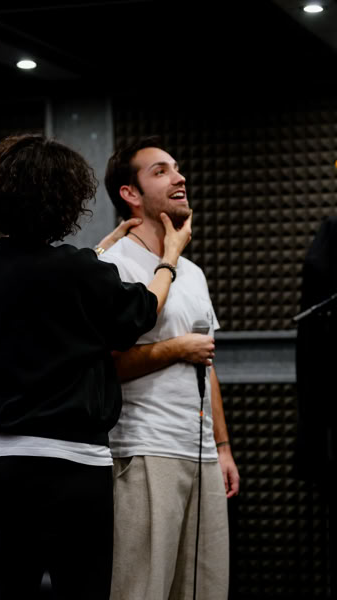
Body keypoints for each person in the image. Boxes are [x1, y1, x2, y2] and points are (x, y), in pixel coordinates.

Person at [0, 133, 192, 600]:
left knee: (8, 586)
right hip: (70, 457)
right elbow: (141, 311)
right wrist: (169, 259)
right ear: (63, 198)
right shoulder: (77, 271)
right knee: (82, 587)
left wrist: (102, 248)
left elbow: (51, 290)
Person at [100, 137, 240, 600]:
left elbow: (207, 362)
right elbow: (106, 367)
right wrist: (176, 348)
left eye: (177, 168)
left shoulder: (192, 272)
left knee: (205, 588)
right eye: (160, 171)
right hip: (145, 450)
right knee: (142, 589)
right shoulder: (114, 266)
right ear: (130, 193)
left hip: (200, 452)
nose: (179, 178)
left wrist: (222, 446)